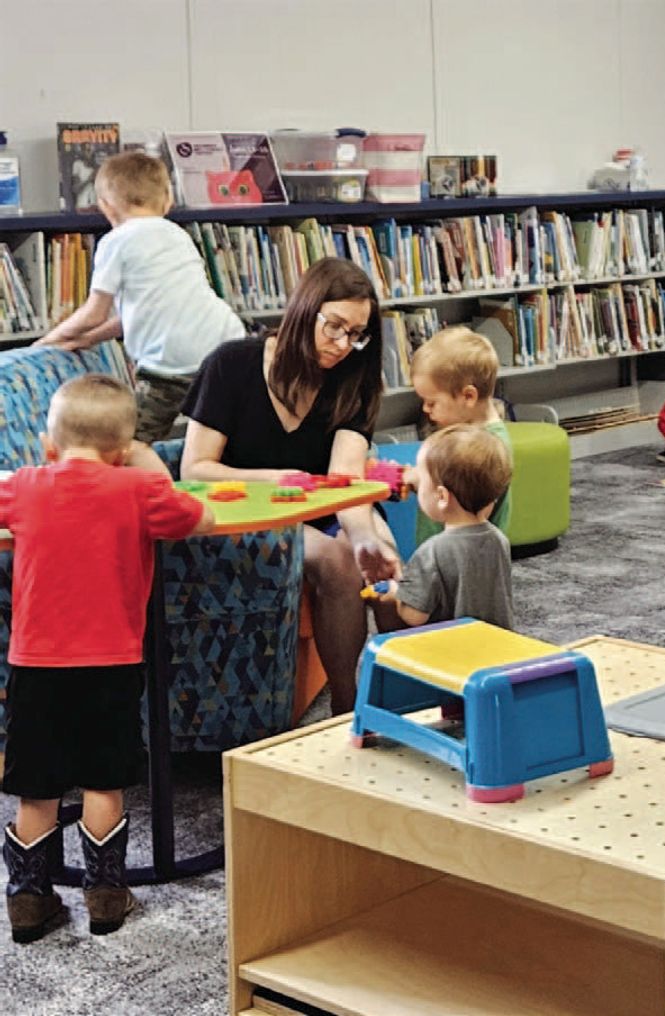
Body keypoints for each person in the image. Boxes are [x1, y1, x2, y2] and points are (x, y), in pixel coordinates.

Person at [0, 375, 213, 943]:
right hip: (112, 663)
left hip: (34, 664)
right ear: (122, 451)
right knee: (103, 778)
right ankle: (105, 895)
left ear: (49, 444)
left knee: (38, 786)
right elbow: (197, 517)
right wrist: (145, 466)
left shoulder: (25, 485)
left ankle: (28, 899)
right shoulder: (138, 490)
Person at [179, 257, 399, 715]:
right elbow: (195, 468)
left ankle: (406, 698)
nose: (343, 345)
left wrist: (363, 536)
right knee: (337, 561)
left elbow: (345, 479)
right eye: (334, 327)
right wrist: (273, 479)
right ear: (304, 309)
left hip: (322, 508)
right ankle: (347, 703)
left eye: (357, 335)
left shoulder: (353, 379)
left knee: (388, 562)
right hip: (250, 511)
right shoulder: (232, 364)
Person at [36, 151, 247, 442]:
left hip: (169, 367)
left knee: (128, 443)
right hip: (226, 348)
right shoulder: (178, 235)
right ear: (168, 199)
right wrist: (88, 339)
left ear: (106, 207)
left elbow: (95, 312)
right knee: (224, 437)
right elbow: (141, 313)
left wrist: (49, 339)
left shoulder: (115, 242)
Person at [376, 425, 514, 630]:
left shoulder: (432, 552)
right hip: (497, 645)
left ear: (442, 497)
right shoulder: (499, 540)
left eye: (422, 481)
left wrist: (393, 593)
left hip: (451, 652)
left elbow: (415, 615)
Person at [409, 327, 512, 546]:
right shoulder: (466, 435)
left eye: (432, 402)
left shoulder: (484, 447)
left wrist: (422, 481)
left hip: (459, 560)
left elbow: (470, 515)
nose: (426, 409)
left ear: (468, 396)